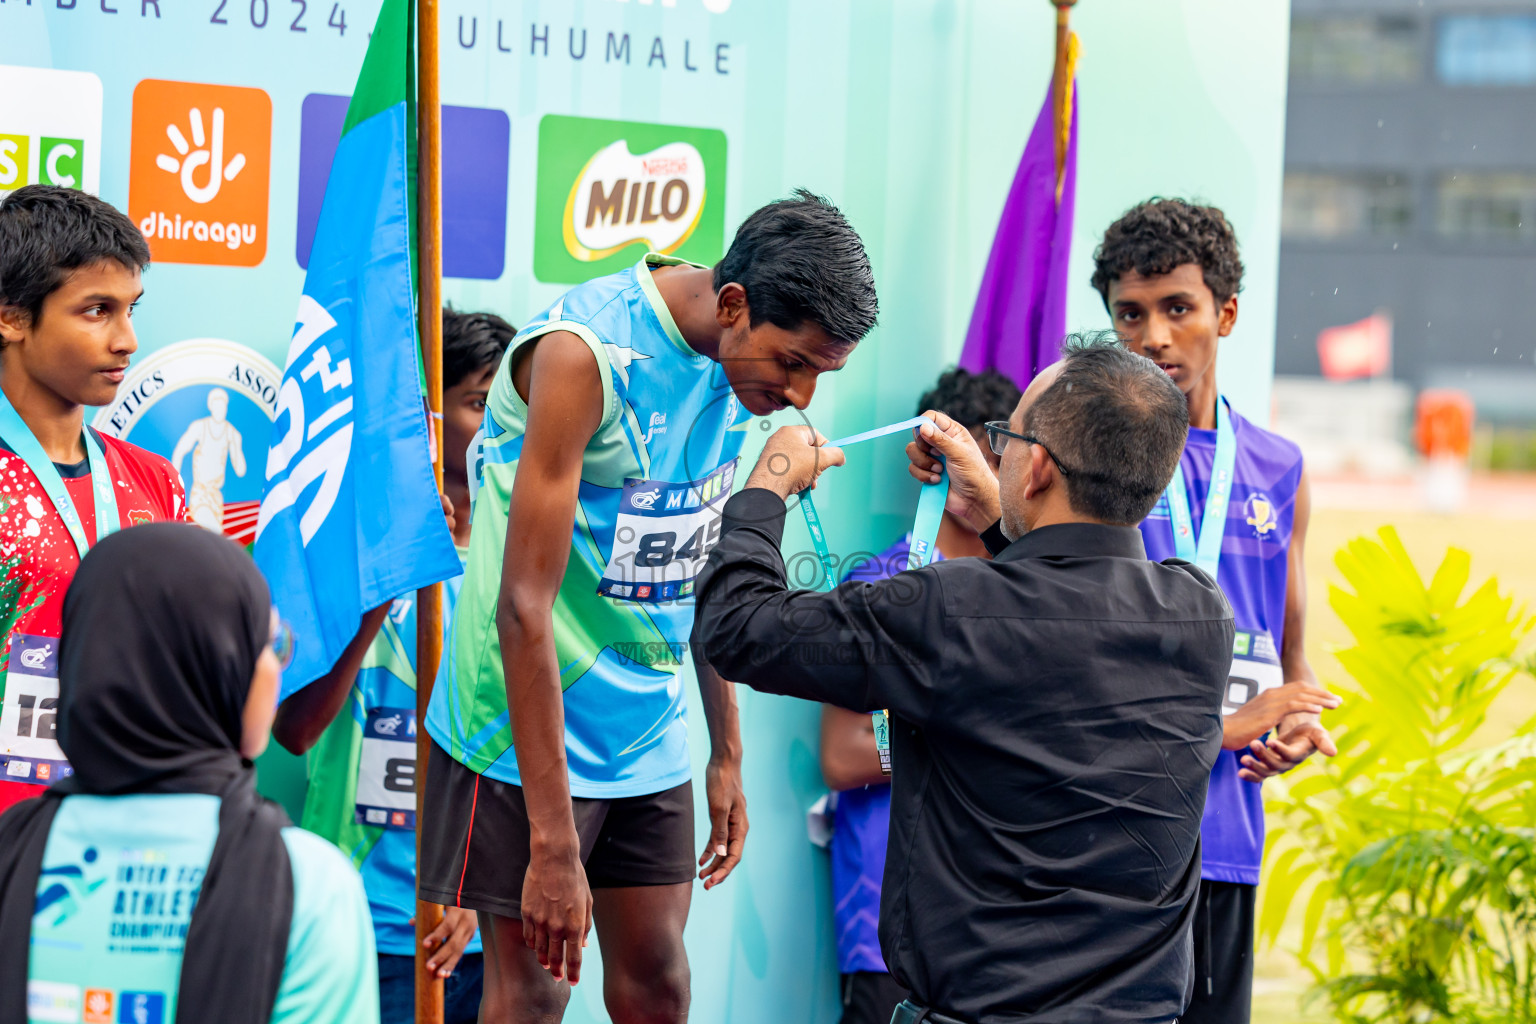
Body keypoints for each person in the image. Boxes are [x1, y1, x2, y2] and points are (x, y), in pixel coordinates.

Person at [419, 190, 879, 1022]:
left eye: (822, 372)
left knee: (660, 987)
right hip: (521, 729)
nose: (804, 395)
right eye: (793, 363)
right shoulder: (583, 355)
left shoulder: (743, 372)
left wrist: (725, 753)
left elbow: (692, 552)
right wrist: (554, 845)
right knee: (532, 997)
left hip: (647, 727)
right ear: (733, 305)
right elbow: (523, 606)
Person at [694, 333, 1245, 1023]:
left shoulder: (951, 607)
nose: (1002, 452)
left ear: (1037, 466)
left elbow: (738, 630)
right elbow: (1055, 614)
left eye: (1007, 438)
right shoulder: (1201, 615)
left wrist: (765, 486)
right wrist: (999, 513)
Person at [1092, 199, 1341, 1024]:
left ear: (1224, 314)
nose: (1154, 336)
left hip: (1227, 836)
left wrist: (1296, 722)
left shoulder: (1279, 468)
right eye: (1131, 313)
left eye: (1177, 309)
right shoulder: (1084, 464)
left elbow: (1289, 658)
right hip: (1108, 840)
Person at [0, 523, 378, 1024]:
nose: (280, 667)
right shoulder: (311, 886)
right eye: (272, 643)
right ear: (219, 664)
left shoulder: (11, 850)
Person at [274, 308, 513, 1024]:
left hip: (475, 927)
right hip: (349, 915)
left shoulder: (530, 569)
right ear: (425, 419)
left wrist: (481, 885)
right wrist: (388, 575)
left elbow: (539, 754)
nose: (501, 427)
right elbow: (295, 729)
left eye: (512, 406)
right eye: (478, 403)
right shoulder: (348, 554)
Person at [820, 367, 1019, 1024]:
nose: (1001, 481)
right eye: (983, 462)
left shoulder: (1033, 595)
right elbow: (844, 755)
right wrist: (979, 736)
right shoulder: (880, 587)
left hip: (1004, 927)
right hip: (890, 921)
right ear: (937, 462)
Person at [0, 184, 189, 814]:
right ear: (11, 316)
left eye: (131, 308)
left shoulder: (156, 481)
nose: (127, 340)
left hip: (122, 838)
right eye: (96, 310)